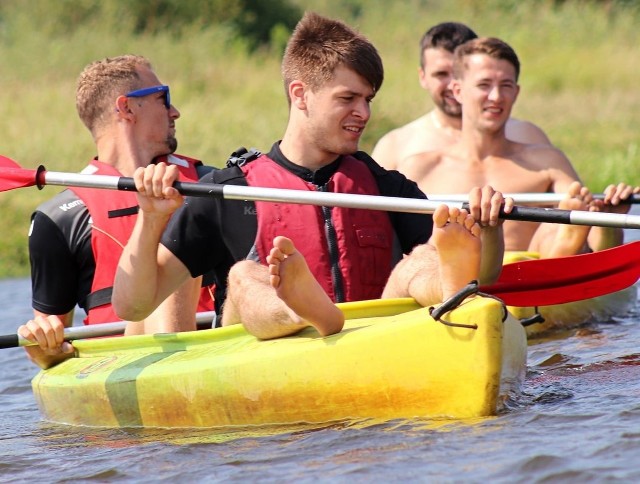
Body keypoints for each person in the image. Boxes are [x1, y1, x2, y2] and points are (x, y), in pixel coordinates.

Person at [112, 12, 513, 341]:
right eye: (348, 99)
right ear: (301, 94)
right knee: (244, 277)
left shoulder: (383, 186)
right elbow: (133, 306)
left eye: (368, 100)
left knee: (421, 260)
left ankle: (451, 287)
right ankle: (299, 310)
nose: (364, 113)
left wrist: (489, 229)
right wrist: (150, 219)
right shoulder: (228, 193)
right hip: (267, 363)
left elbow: (489, 275)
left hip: (374, 344)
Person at [17, 55, 214, 369]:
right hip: (118, 364)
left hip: (216, 349)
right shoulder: (59, 219)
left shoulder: (212, 185)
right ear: (126, 108)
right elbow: (50, 352)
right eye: (163, 99)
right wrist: (43, 345)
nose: (175, 111)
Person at [398, 37, 637, 257]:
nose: (496, 96)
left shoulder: (546, 163)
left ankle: (563, 245)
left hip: (533, 274)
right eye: (484, 85)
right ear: (458, 91)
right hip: (455, 281)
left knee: (556, 226)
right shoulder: (420, 167)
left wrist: (609, 222)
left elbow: (599, 249)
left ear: (516, 92)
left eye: (506, 85)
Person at [372, 22, 552, 171]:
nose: (453, 84)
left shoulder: (528, 136)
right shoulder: (396, 147)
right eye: (442, 74)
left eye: (460, 73)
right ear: (423, 77)